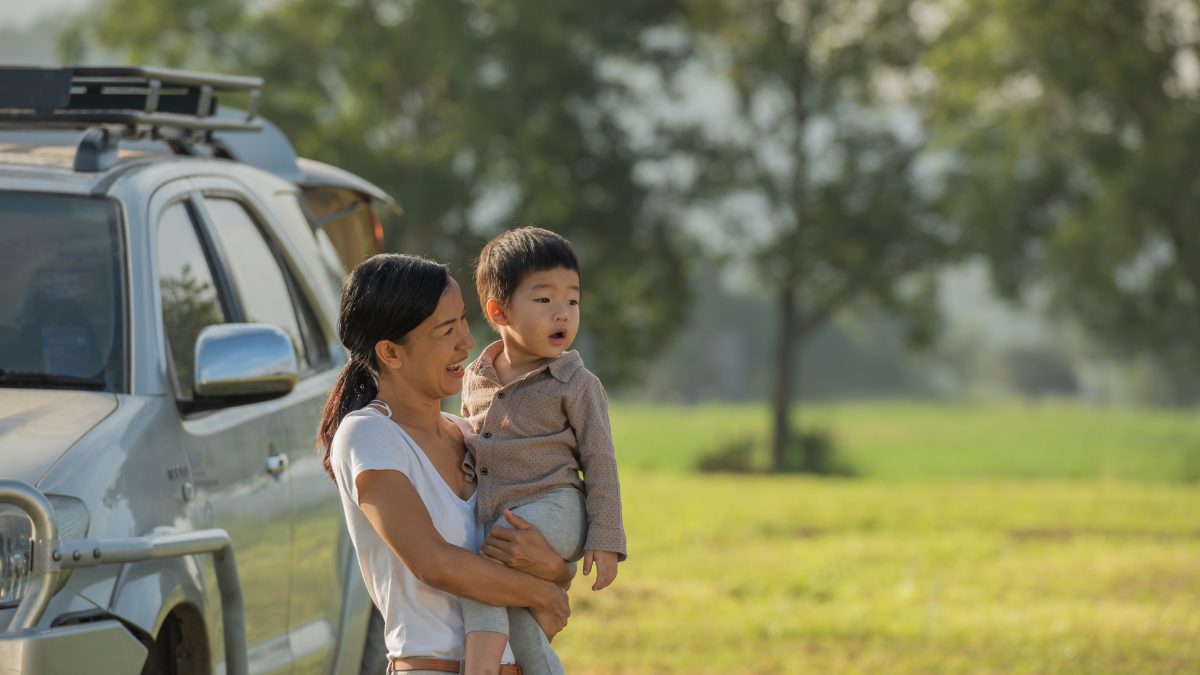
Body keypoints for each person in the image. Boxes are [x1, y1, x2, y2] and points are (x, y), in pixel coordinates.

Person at [320, 253, 572, 675]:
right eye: (446, 329)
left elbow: (542, 559)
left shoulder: (471, 434)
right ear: (390, 353)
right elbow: (433, 563)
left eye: (462, 321)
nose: (467, 341)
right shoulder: (369, 436)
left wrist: (553, 568)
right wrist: (540, 593)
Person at [459, 227, 627, 675]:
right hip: (503, 516)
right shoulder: (475, 377)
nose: (562, 314)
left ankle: (478, 669)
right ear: (499, 310)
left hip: (558, 506)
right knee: (515, 608)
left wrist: (606, 540)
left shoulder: (576, 383)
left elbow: (601, 462)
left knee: (481, 573)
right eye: (544, 300)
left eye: (572, 301)